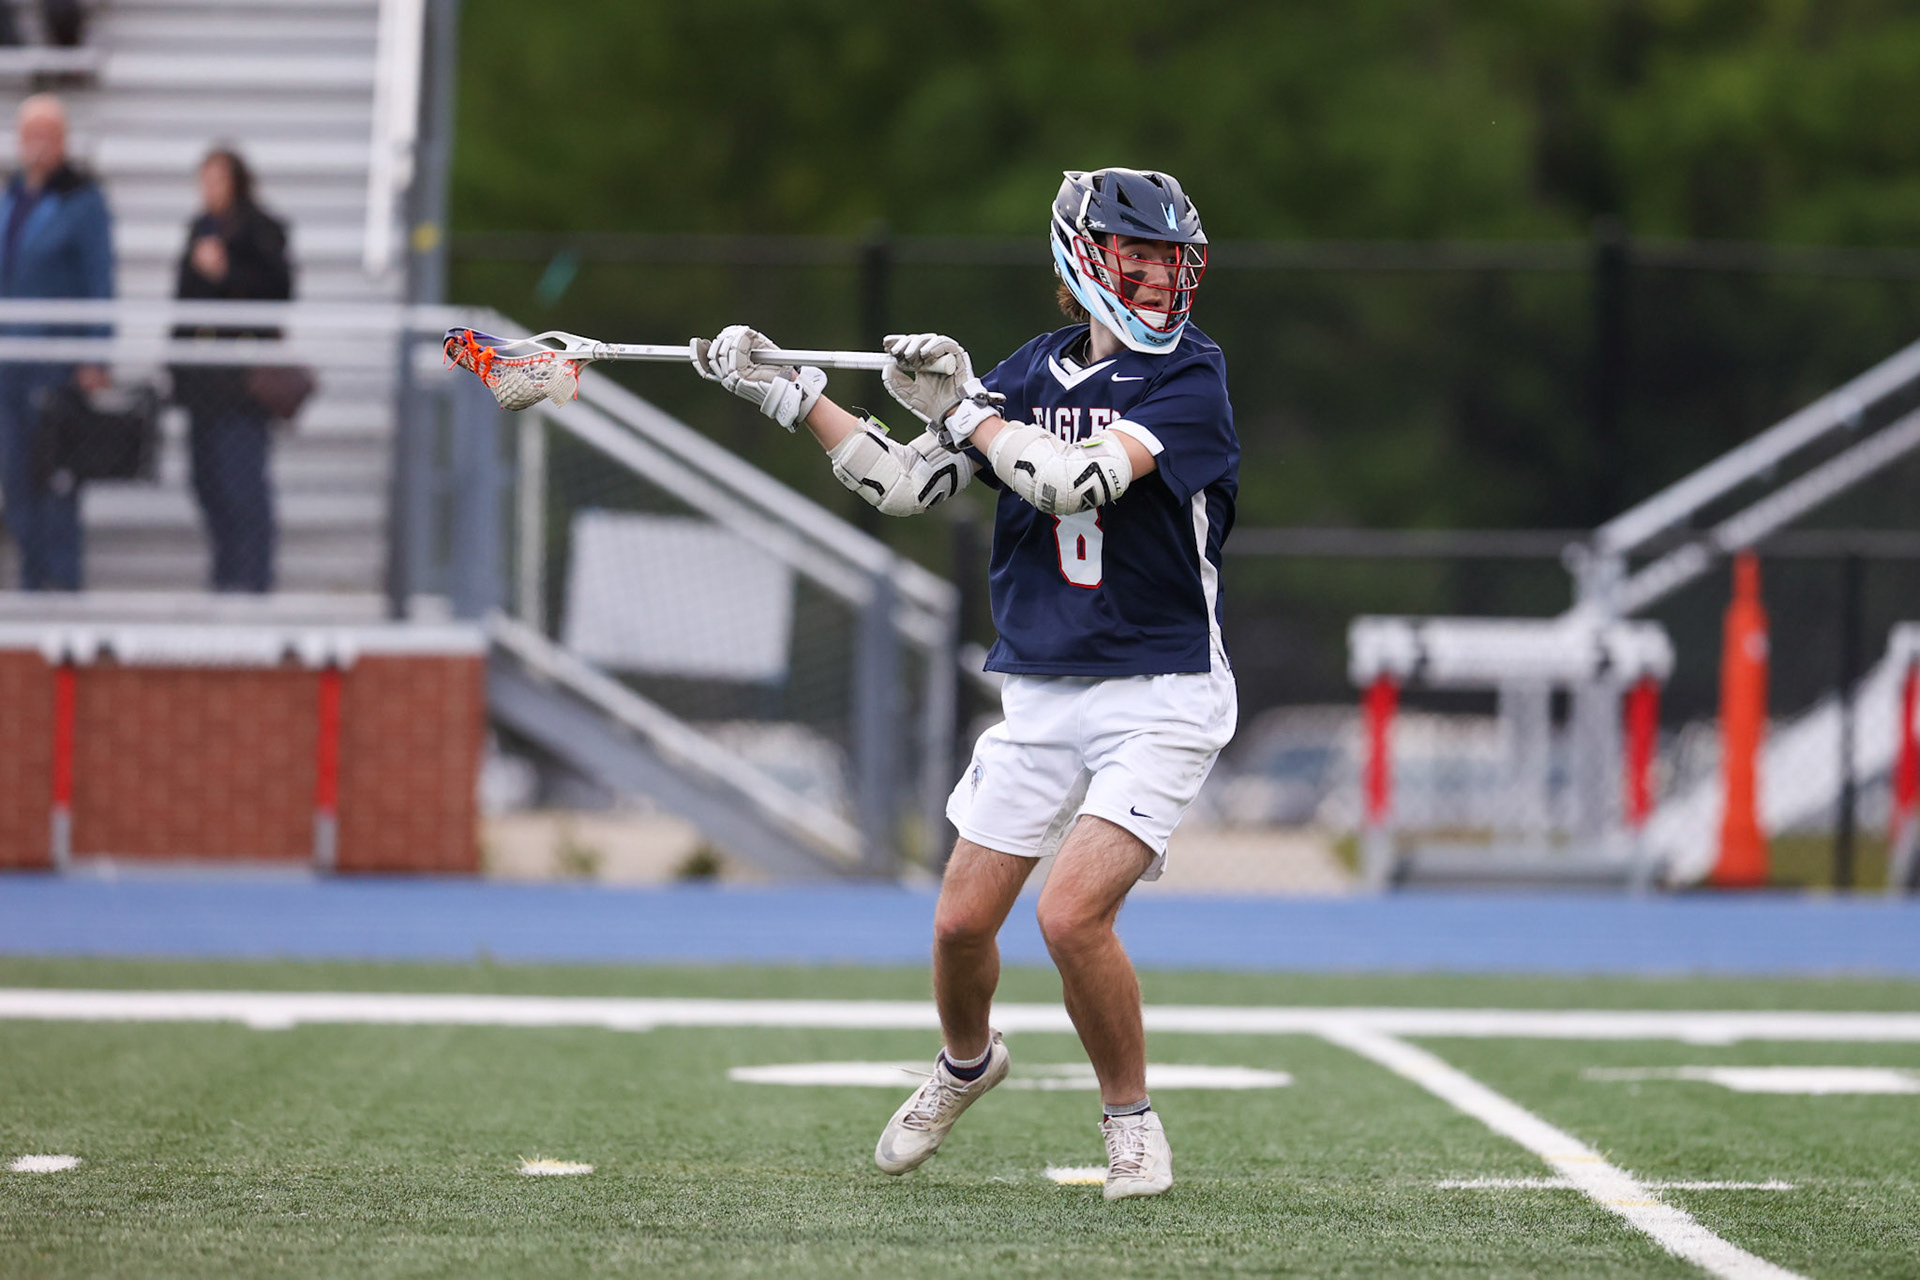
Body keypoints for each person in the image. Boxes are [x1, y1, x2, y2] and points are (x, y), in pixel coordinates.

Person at [692, 168, 1235, 1200]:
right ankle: (966, 1062)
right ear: (1083, 260)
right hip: (1042, 688)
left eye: (1170, 258)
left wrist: (972, 412)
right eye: (1139, 256)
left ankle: (1130, 1115)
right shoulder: (1030, 373)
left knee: (1071, 915)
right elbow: (905, 484)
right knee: (956, 924)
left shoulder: (1191, 379)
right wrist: (790, 392)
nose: (1161, 278)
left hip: (1161, 690)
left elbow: (1073, 480)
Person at [0, 93, 112, 591]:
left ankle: (63, 585)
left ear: (64, 140)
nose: (37, 144)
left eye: (47, 133)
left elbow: (99, 280)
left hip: (55, 362)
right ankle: (30, 579)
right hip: (10, 362)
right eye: (30, 134)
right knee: (16, 476)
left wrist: (95, 353)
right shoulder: (12, 198)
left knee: (57, 479)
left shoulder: (82, 201)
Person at [172, 147, 292, 592]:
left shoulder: (260, 229)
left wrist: (226, 272)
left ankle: (253, 580)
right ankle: (225, 576)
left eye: (218, 180)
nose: (210, 190)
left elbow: (279, 291)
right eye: (204, 181)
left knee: (243, 483)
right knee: (206, 483)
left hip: (241, 380)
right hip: (201, 379)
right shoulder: (197, 229)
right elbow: (182, 306)